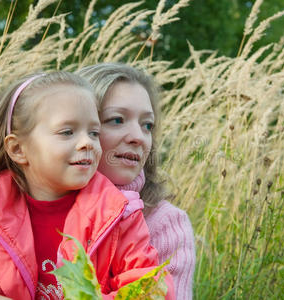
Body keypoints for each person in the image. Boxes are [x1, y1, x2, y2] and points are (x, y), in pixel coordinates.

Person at [0, 71, 174, 300]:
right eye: (67, 132)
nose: (87, 143)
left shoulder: (118, 215)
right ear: (18, 149)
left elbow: (150, 289)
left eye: (94, 132)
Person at [77, 63, 196, 300]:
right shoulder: (35, 205)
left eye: (147, 125)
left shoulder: (165, 224)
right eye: (117, 120)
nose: (138, 138)